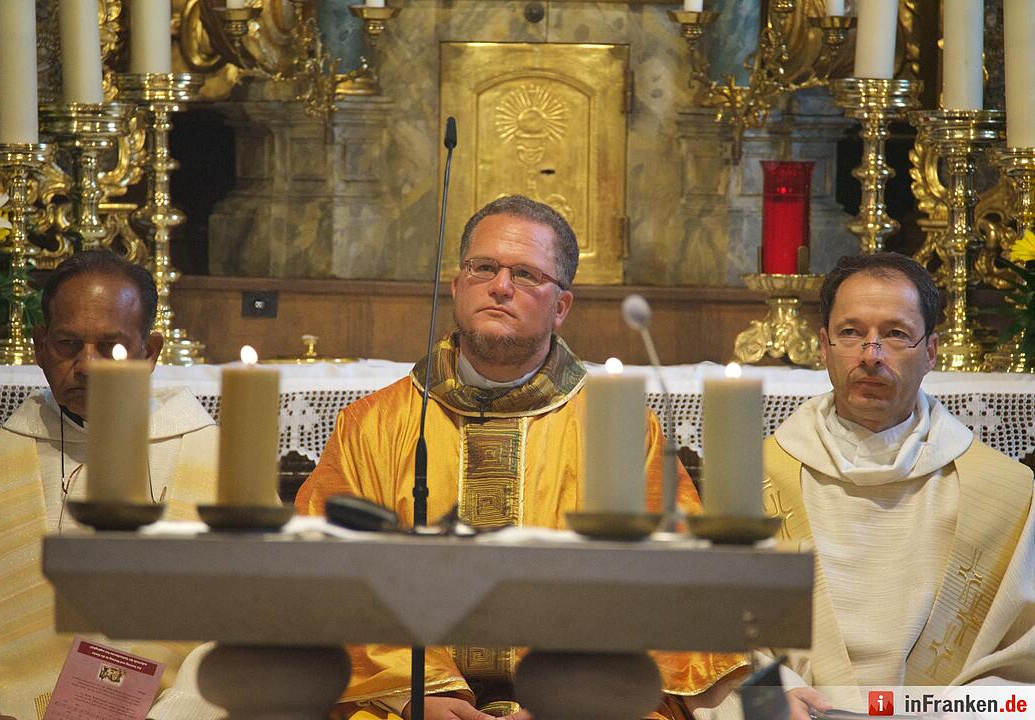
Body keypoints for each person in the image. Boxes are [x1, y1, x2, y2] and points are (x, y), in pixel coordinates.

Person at [295, 195, 747, 720]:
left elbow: (670, 584)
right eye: (483, 267)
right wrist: (415, 691)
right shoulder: (373, 425)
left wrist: (571, 697)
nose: (501, 286)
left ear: (561, 307)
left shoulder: (618, 428)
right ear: (457, 286)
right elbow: (329, 574)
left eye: (526, 274)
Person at [750, 253, 1032, 718]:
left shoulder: (1005, 492)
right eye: (850, 333)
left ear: (931, 351)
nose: (870, 355)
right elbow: (712, 638)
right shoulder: (754, 477)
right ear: (823, 347)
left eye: (895, 334)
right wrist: (768, 693)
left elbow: (1024, 659)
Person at [0, 251, 219, 720]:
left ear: (150, 351)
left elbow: (245, 626)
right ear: (39, 346)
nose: (85, 364)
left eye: (110, 346)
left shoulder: (215, 464)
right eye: (67, 343)